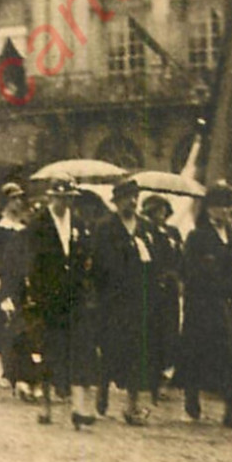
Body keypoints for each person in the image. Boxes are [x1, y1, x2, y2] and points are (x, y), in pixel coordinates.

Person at [7, 174, 95, 429]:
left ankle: (79, 408)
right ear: (50, 197)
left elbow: (84, 255)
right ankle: (45, 404)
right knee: (49, 350)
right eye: (60, 197)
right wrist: (34, 293)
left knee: (79, 349)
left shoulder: (77, 223)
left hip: (74, 296)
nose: (64, 202)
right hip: (48, 298)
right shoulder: (39, 225)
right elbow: (31, 264)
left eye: (69, 198)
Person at [175, 183, 232, 429]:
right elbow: (189, 271)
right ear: (209, 209)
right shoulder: (197, 237)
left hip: (230, 303)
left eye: (229, 205)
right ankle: (192, 397)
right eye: (220, 205)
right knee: (199, 354)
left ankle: (231, 409)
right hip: (204, 305)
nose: (226, 210)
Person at [92, 180, 155, 425]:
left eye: (135, 197)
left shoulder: (145, 226)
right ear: (116, 202)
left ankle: (132, 404)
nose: (132, 201)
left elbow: (154, 259)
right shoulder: (105, 227)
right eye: (127, 197)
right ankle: (103, 390)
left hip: (138, 298)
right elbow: (98, 262)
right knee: (110, 347)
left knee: (136, 351)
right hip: (112, 298)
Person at [0, 182, 33, 395]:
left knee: (21, 325)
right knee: (3, 325)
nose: (18, 202)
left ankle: (19, 371)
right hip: (2, 281)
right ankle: (6, 371)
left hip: (20, 281)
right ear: (6, 201)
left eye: (20, 199)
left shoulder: (24, 228)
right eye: (14, 199)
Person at [139, 194, 182, 404]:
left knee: (171, 333)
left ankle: (167, 376)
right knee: (154, 333)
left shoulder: (173, 232)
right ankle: (153, 380)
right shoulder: (146, 233)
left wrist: (176, 275)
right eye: (156, 211)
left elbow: (180, 258)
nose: (161, 215)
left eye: (163, 210)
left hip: (171, 290)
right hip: (154, 290)